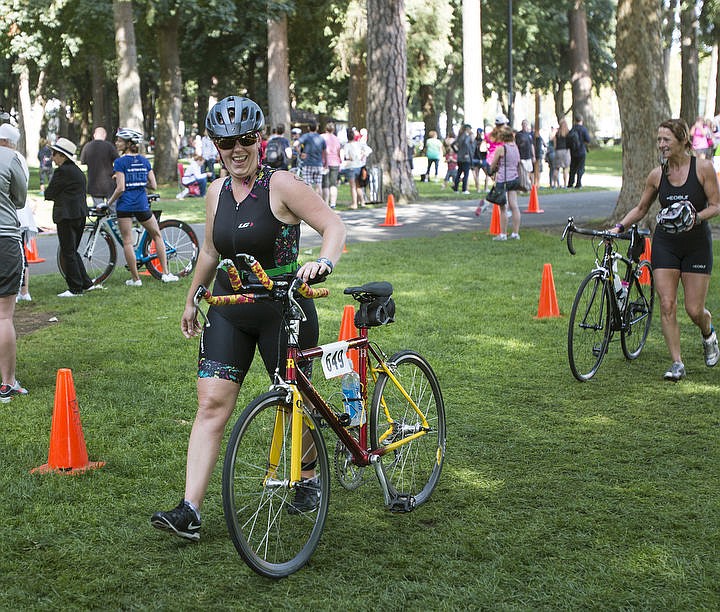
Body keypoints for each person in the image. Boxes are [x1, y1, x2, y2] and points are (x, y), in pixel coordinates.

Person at [150, 95, 346, 540]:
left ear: (259, 140)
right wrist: (191, 297)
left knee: (298, 404)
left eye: (244, 140)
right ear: (215, 146)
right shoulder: (217, 191)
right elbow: (209, 250)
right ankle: (189, 510)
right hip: (230, 308)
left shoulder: (283, 186)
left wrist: (324, 263)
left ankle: (309, 474)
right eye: (224, 142)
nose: (235, 150)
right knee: (211, 404)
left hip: (284, 309)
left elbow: (334, 226)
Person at [610, 118, 720, 381]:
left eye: (666, 140)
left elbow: (716, 205)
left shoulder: (703, 169)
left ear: (683, 140)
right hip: (666, 244)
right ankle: (677, 363)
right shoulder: (657, 175)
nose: (661, 145)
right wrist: (619, 227)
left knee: (694, 309)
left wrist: (696, 217)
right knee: (667, 304)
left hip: (696, 245)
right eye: (659, 140)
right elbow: (641, 209)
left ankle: (709, 334)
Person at [106, 128, 179, 286]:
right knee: (157, 236)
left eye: (119, 140)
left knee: (127, 242)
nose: (116, 142)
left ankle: (135, 279)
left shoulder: (119, 162)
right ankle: (165, 273)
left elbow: (120, 188)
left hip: (124, 206)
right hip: (141, 204)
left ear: (127, 144)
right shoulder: (145, 161)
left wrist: (108, 203)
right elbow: (153, 185)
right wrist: (139, 182)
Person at [44, 138, 95, 297]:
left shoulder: (62, 172)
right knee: (72, 251)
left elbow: (49, 193)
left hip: (66, 215)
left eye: (54, 154)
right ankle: (86, 283)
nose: (52, 157)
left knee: (68, 252)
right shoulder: (77, 171)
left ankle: (75, 288)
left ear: (62, 156)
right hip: (79, 214)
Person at [0, 124, 28, 403]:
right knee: (4, 316)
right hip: (5, 239)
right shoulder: (10, 159)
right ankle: (7, 383)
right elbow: (20, 199)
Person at [0, 124, 35, 302]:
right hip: (10, 218)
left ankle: (24, 290)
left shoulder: (13, 157)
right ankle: (24, 290)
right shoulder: (15, 157)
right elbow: (20, 195)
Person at [488, 125, 522, 241]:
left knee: (503, 208)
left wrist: (491, 171)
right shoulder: (515, 147)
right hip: (514, 178)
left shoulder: (501, 148)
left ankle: (503, 234)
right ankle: (515, 233)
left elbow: (493, 164)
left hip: (503, 179)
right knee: (514, 206)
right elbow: (517, 162)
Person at [79, 127, 119, 206]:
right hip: (109, 184)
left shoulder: (87, 147)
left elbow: (83, 161)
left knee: (99, 211)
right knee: (113, 211)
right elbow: (118, 161)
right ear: (105, 135)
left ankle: (102, 218)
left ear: (94, 135)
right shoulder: (109, 146)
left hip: (94, 184)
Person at [342, 128, 372, 209]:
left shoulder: (347, 146)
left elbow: (346, 156)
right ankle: (362, 202)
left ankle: (354, 203)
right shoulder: (359, 144)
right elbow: (369, 150)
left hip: (351, 167)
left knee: (353, 186)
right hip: (359, 166)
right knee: (358, 186)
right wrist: (363, 155)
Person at [297, 122, 326, 196]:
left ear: (308, 128)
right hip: (318, 164)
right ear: (317, 128)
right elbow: (325, 152)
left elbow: (295, 144)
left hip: (307, 164)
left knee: (308, 184)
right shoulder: (321, 138)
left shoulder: (306, 136)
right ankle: (319, 203)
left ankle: (310, 202)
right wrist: (325, 163)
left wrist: (300, 153)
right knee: (318, 184)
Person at [321, 121, 342, 208]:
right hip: (335, 162)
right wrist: (340, 161)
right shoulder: (336, 138)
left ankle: (325, 203)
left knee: (325, 184)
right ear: (333, 130)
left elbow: (321, 150)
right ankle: (333, 203)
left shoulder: (322, 137)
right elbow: (338, 151)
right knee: (333, 184)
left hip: (324, 162)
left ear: (326, 129)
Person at [567, 115, 591, 189]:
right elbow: (588, 139)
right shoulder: (583, 129)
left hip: (573, 151)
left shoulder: (572, 129)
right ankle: (578, 183)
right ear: (581, 120)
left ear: (575, 120)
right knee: (580, 167)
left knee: (572, 168)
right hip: (581, 151)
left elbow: (568, 140)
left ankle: (570, 183)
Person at [452, 124, 474, 194]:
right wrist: (466, 153)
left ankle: (456, 188)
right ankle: (464, 189)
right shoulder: (466, 136)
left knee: (459, 173)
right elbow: (466, 144)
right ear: (467, 129)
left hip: (459, 157)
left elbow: (453, 144)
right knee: (466, 174)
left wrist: (457, 151)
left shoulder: (459, 136)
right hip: (465, 158)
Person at [515, 119, 536, 183]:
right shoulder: (518, 134)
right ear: (522, 125)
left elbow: (531, 145)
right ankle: (523, 185)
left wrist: (533, 156)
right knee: (522, 172)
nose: (525, 125)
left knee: (530, 171)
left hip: (528, 156)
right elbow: (516, 145)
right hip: (522, 156)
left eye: (526, 124)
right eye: (523, 124)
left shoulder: (529, 135)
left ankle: (531, 185)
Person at [552, 118, 571, 188]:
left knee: (556, 168)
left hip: (558, 151)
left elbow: (554, 143)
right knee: (565, 168)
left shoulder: (557, 133)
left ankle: (554, 184)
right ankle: (565, 184)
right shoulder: (568, 133)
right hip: (565, 151)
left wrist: (555, 149)